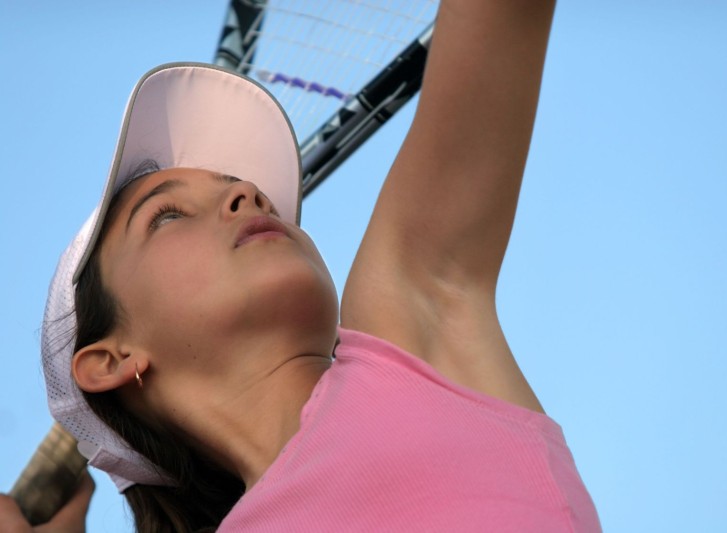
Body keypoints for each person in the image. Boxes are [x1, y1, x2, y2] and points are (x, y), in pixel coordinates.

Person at [2, 1, 601, 531]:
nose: (247, 196)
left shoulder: (415, 335)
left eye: (239, 185)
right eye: (167, 216)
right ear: (111, 360)